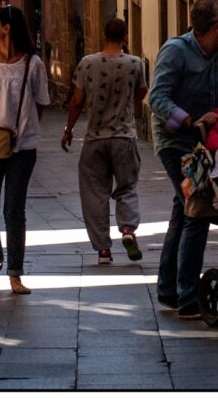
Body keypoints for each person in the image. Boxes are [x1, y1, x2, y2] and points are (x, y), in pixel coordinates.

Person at [148, 0, 218, 319]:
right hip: (176, 140)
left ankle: (168, 289)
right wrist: (187, 120)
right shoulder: (176, 51)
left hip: (207, 139)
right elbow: (157, 97)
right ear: (213, 27)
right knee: (198, 207)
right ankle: (187, 298)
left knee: (183, 211)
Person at [0, 4, 50, 294]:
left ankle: (15, 272)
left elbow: (41, 101)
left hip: (22, 148)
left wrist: (24, 129)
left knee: (14, 210)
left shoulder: (33, 64)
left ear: (8, 28)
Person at [61, 17, 148, 266]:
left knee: (94, 193)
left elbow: (77, 101)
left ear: (103, 35)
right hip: (124, 137)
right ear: (125, 37)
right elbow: (141, 93)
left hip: (95, 139)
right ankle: (128, 230)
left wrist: (68, 129)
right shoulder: (134, 63)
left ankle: (103, 250)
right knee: (127, 186)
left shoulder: (87, 64)